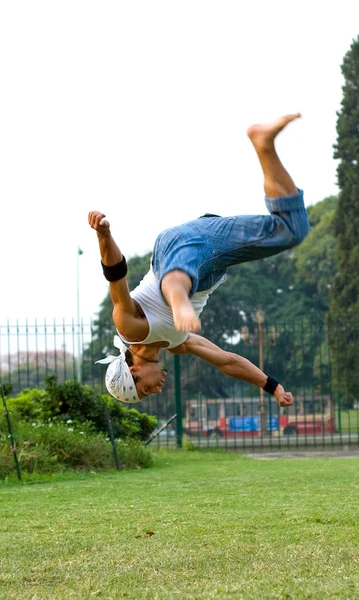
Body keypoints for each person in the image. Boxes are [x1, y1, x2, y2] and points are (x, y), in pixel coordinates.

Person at [90, 113, 310, 408]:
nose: (155, 391)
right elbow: (226, 361)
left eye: (144, 390)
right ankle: (263, 144)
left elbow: (116, 277)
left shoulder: (130, 327)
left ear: (133, 371)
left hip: (176, 249)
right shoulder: (177, 343)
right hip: (214, 255)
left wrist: (103, 235)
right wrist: (272, 386)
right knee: (292, 230)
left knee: (178, 276)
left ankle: (179, 299)